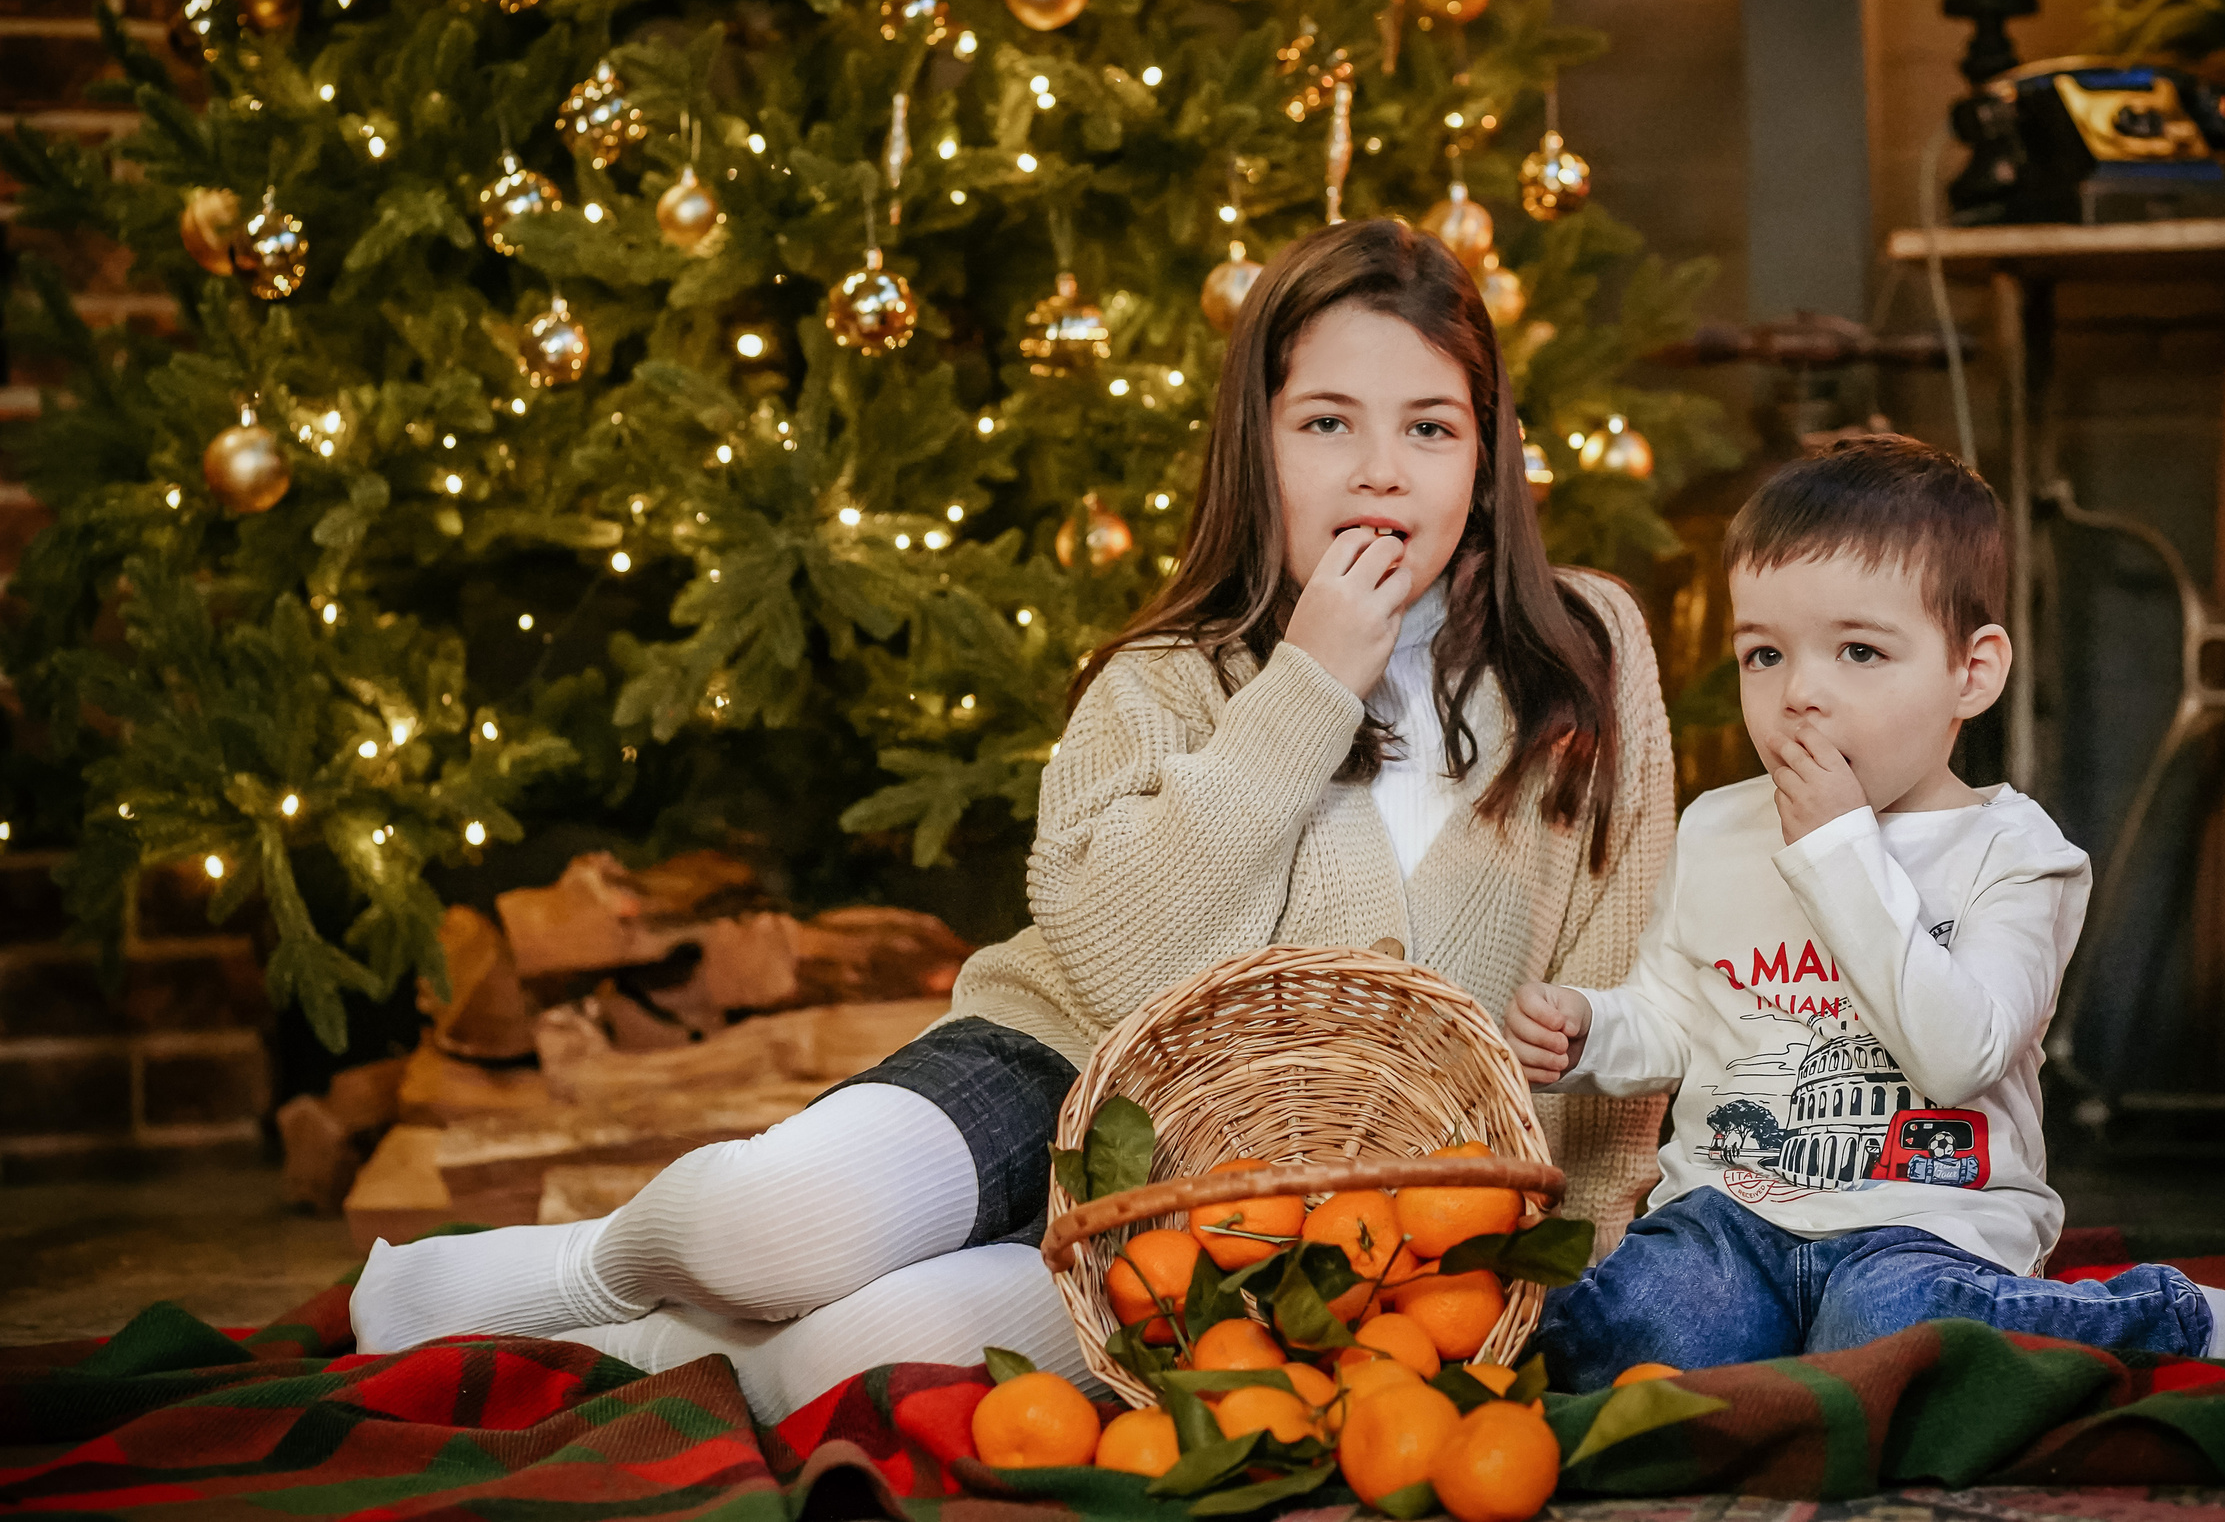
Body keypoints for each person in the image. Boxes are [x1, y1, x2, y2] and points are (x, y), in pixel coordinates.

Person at [351, 218, 1676, 1422]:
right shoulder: (1168, 671)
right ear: (1258, 445)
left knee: (855, 1361)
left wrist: (1580, 1259)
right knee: (775, 1222)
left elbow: (1614, 976)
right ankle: (528, 1274)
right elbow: (1116, 958)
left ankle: (637, 1350)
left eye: (1431, 428)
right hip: (1049, 1061)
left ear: (1490, 454)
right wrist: (1310, 683)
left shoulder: (1589, 647)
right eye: (1328, 422)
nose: (1383, 472)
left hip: (1269, 1211)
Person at [1504, 435, 2225, 1388]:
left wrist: (1836, 852)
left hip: (1928, 1227)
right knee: (1643, 1322)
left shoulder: (2016, 854)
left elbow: (1960, 1056)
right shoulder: (1717, 829)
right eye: (1764, 653)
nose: (1801, 695)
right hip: (1734, 1216)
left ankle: (2170, 1319)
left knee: (1891, 1324)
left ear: (1973, 673)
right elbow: (1673, 1018)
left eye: (1860, 650)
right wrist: (1590, 1032)